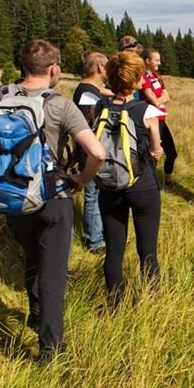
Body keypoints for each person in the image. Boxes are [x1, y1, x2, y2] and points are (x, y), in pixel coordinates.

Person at [0, 40, 105, 361]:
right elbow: (97, 153)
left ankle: (34, 314)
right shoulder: (60, 105)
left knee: (31, 257)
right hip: (53, 198)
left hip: (12, 197)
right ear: (54, 69)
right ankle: (50, 349)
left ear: (23, 67)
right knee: (53, 273)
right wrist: (81, 180)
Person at [98, 50, 164, 306]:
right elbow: (155, 151)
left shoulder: (98, 107)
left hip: (109, 185)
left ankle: (115, 303)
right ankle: (152, 303)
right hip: (142, 185)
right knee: (147, 250)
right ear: (136, 80)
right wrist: (155, 150)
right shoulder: (146, 110)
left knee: (114, 250)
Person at [72, 52, 113, 253]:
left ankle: (99, 234)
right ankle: (94, 241)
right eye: (107, 66)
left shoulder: (90, 90)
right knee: (93, 196)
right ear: (99, 68)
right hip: (89, 152)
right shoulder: (87, 94)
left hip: (89, 150)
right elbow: (87, 125)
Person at [135, 48, 177, 186]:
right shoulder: (143, 78)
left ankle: (167, 180)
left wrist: (159, 99)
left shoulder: (157, 76)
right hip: (153, 122)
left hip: (162, 121)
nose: (159, 63)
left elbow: (167, 96)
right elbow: (155, 101)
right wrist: (160, 98)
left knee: (172, 153)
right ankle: (150, 184)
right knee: (154, 154)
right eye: (156, 60)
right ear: (147, 61)